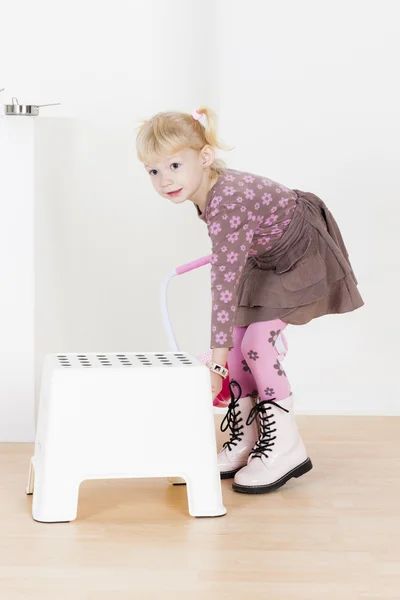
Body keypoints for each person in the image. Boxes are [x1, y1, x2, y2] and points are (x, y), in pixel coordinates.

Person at [135, 107, 364, 495]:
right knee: (239, 345)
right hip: (265, 257)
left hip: (298, 254)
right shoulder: (206, 191)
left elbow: (222, 285)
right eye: (153, 171)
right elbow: (232, 260)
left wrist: (216, 368)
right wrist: (226, 360)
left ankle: (286, 448)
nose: (164, 180)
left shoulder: (228, 201)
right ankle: (245, 442)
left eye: (174, 164)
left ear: (204, 157)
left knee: (257, 343)